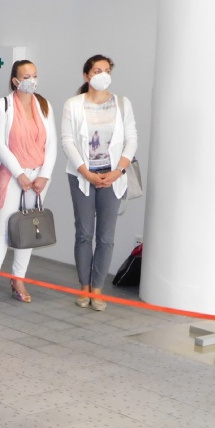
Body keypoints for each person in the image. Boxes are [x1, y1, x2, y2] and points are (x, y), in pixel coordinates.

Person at [61, 54, 138, 311]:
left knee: (106, 237)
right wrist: (85, 172)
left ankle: (97, 289)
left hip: (113, 177)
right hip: (82, 176)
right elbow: (67, 142)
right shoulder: (73, 104)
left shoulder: (122, 104)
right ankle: (84, 287)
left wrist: (118, 171)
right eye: (97, 70)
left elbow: (131, 139)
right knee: (84, 233)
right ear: (86, 76)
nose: (103, 75)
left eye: (107, 70)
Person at [0, 60, 57, 311]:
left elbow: (51, 144)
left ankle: (18, 280)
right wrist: (20, 174)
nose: (32, 80)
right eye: (26, 76)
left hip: (39, 177)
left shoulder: (44, 105)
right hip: (12, 174)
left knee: (29, 228)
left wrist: (44, 175)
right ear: (15, 80)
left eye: (35, 75)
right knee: (2, 230)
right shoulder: (1, 105)